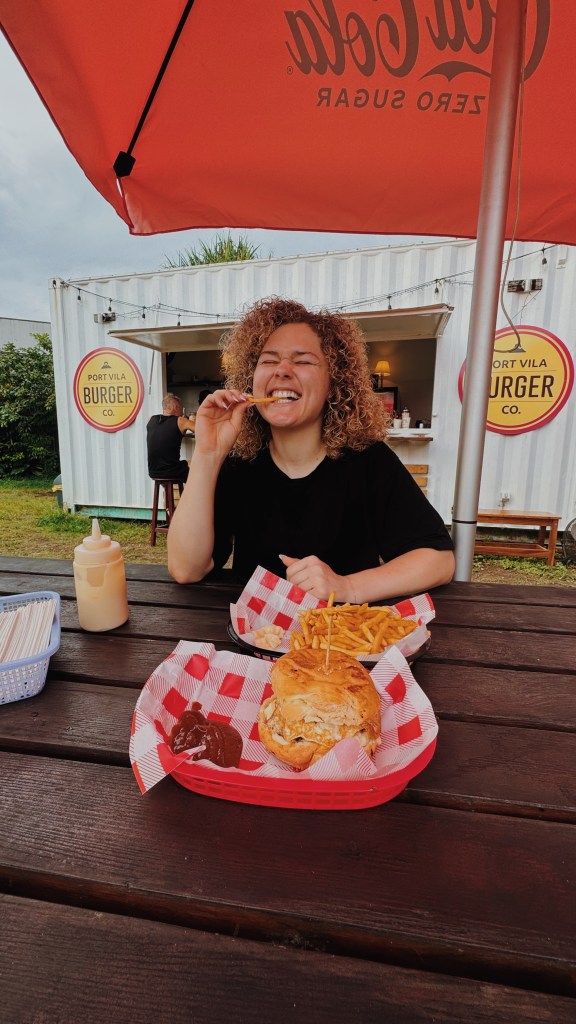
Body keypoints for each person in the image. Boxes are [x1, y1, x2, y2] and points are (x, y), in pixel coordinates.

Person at [168, 298, 455, 601]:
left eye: (303, 361)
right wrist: (208, 454)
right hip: (254, 629)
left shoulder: (369, 461)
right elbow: (186, 569)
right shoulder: (240, 463)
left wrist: (347, 587)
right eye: (269, 360)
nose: (282, 370)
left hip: (342, 629)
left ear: (334, 382)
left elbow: (439, 560)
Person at [146, 393, 196, 483]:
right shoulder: (181, 421)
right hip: (172, 472)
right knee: (198, 464)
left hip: (153, 472)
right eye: (181, 409)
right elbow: (202, 429)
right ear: (176, 407)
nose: (182, 413)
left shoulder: (151, 420)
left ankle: (168, 492)